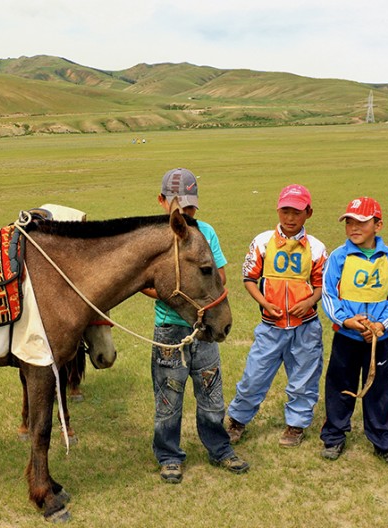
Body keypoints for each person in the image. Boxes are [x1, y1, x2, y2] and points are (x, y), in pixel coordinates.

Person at [142, 167, 249, 484]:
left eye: (190, 208)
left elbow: (220, 275)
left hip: (204, 327)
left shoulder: (206, 233)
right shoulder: (153, 238)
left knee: (211, 391)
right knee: (167, 397)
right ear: (162, 201)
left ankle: (220, 448)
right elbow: (144, 283)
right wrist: (171, 294)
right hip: (169, 330)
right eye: (180, 208)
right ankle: (169, 455)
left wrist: (196, 292)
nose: (186, 214)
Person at [224, 184, 328, 448]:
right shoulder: (262, 242)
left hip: (305, 328)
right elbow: (249, 278)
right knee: (253, 377)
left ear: (309, 213)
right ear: (278, 210)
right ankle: (236, 421)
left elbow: (321, 285)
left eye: (297, 212)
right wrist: (264, 303)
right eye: (285, 211)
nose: (290, 218)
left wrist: (308, 302)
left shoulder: (316, 248)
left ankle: (296, 426)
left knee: (303, 379)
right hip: (270, 327)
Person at [319, 197, 388, 468]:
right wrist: (347, 321)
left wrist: (381, 325)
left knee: (379, 389)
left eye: (361, 222)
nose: (353, 227)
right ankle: (334, 436)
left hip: (378, 340)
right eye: (349, 222)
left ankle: (384, 441)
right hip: (346, 337)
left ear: (378, 225)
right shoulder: (338, 257)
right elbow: (328, 294)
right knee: (339, 386)